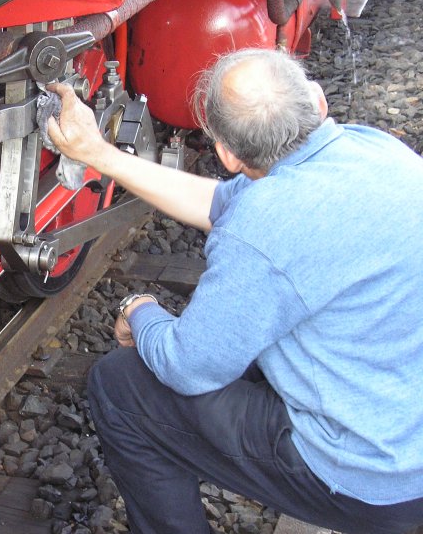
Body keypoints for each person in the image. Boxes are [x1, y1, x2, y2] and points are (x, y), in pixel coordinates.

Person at [45, 48, 423, 534]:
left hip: (375, 482)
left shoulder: (265, 223)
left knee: (122, 387)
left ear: (225, 154)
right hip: (406, 422)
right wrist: (100, 155)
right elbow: (222, 203)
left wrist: (139, 310)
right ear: (318, 102)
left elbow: (187, 367)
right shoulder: (374, 148)